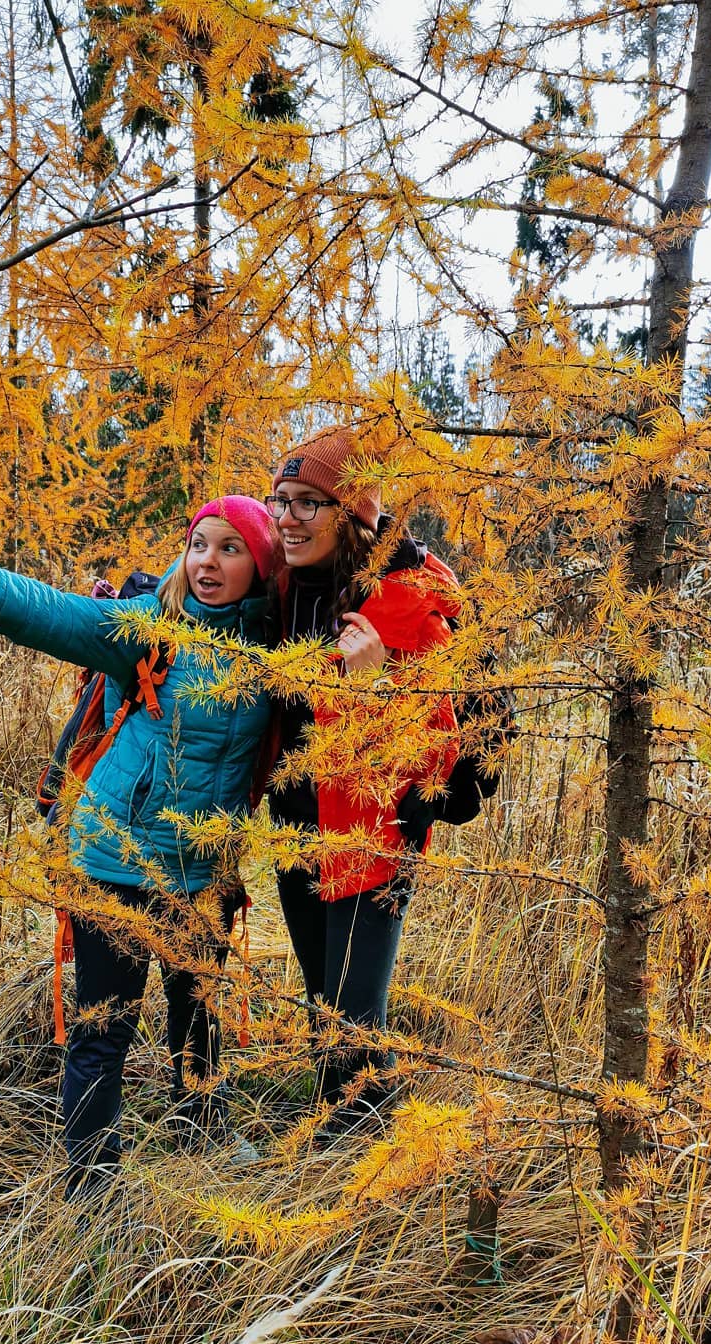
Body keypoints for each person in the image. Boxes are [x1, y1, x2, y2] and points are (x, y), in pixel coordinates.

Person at [0, 497, 280, 1195]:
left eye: (230, 549)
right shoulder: (148, 630)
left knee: (201, 1015)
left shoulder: (277, 650)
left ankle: (203, 1132)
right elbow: (43, 610)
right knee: (105, 1028)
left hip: (205, 873)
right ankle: (91, 1187)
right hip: (116, 859)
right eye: (199, 544)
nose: (208, 563)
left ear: (262, 563)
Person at [262, 426, 460, 1137]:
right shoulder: (285, 589)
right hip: (294, 822)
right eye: (280, 499)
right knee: (325, 1002)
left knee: (355, 1016)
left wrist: (374, 689)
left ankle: (365, 1177)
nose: (286, 517)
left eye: (308, 502)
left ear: (353, 513)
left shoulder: (408, 604)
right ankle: (335, 1141)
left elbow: (436, 758)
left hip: (375, 833)